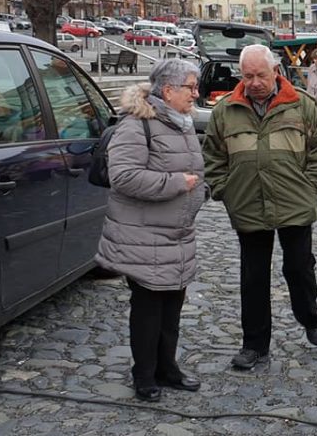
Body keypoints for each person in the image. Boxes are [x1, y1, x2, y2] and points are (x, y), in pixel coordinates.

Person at [202, 44, 317, 370]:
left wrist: (313, 187)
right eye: (247, 76)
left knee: (299, 268)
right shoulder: (226, 110)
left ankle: (310, 318)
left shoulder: (301, 104)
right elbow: (213, 156)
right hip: (248, 203)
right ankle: (254, 345)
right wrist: (225, 191)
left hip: (295, 203)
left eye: (260, 75)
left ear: (275, 72)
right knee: (253, 278)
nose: (254, 82)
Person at [95, 59, 205, 402]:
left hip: (176, 234)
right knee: (148, 308)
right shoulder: (136, 125)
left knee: (172, 305)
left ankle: (166, 368)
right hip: (142, 236)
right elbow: (124, 177)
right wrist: (176, 183)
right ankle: (143, 374)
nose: (196, 93)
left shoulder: (180, 122)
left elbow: (190, 168)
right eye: (191, 87)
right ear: (168, 90)